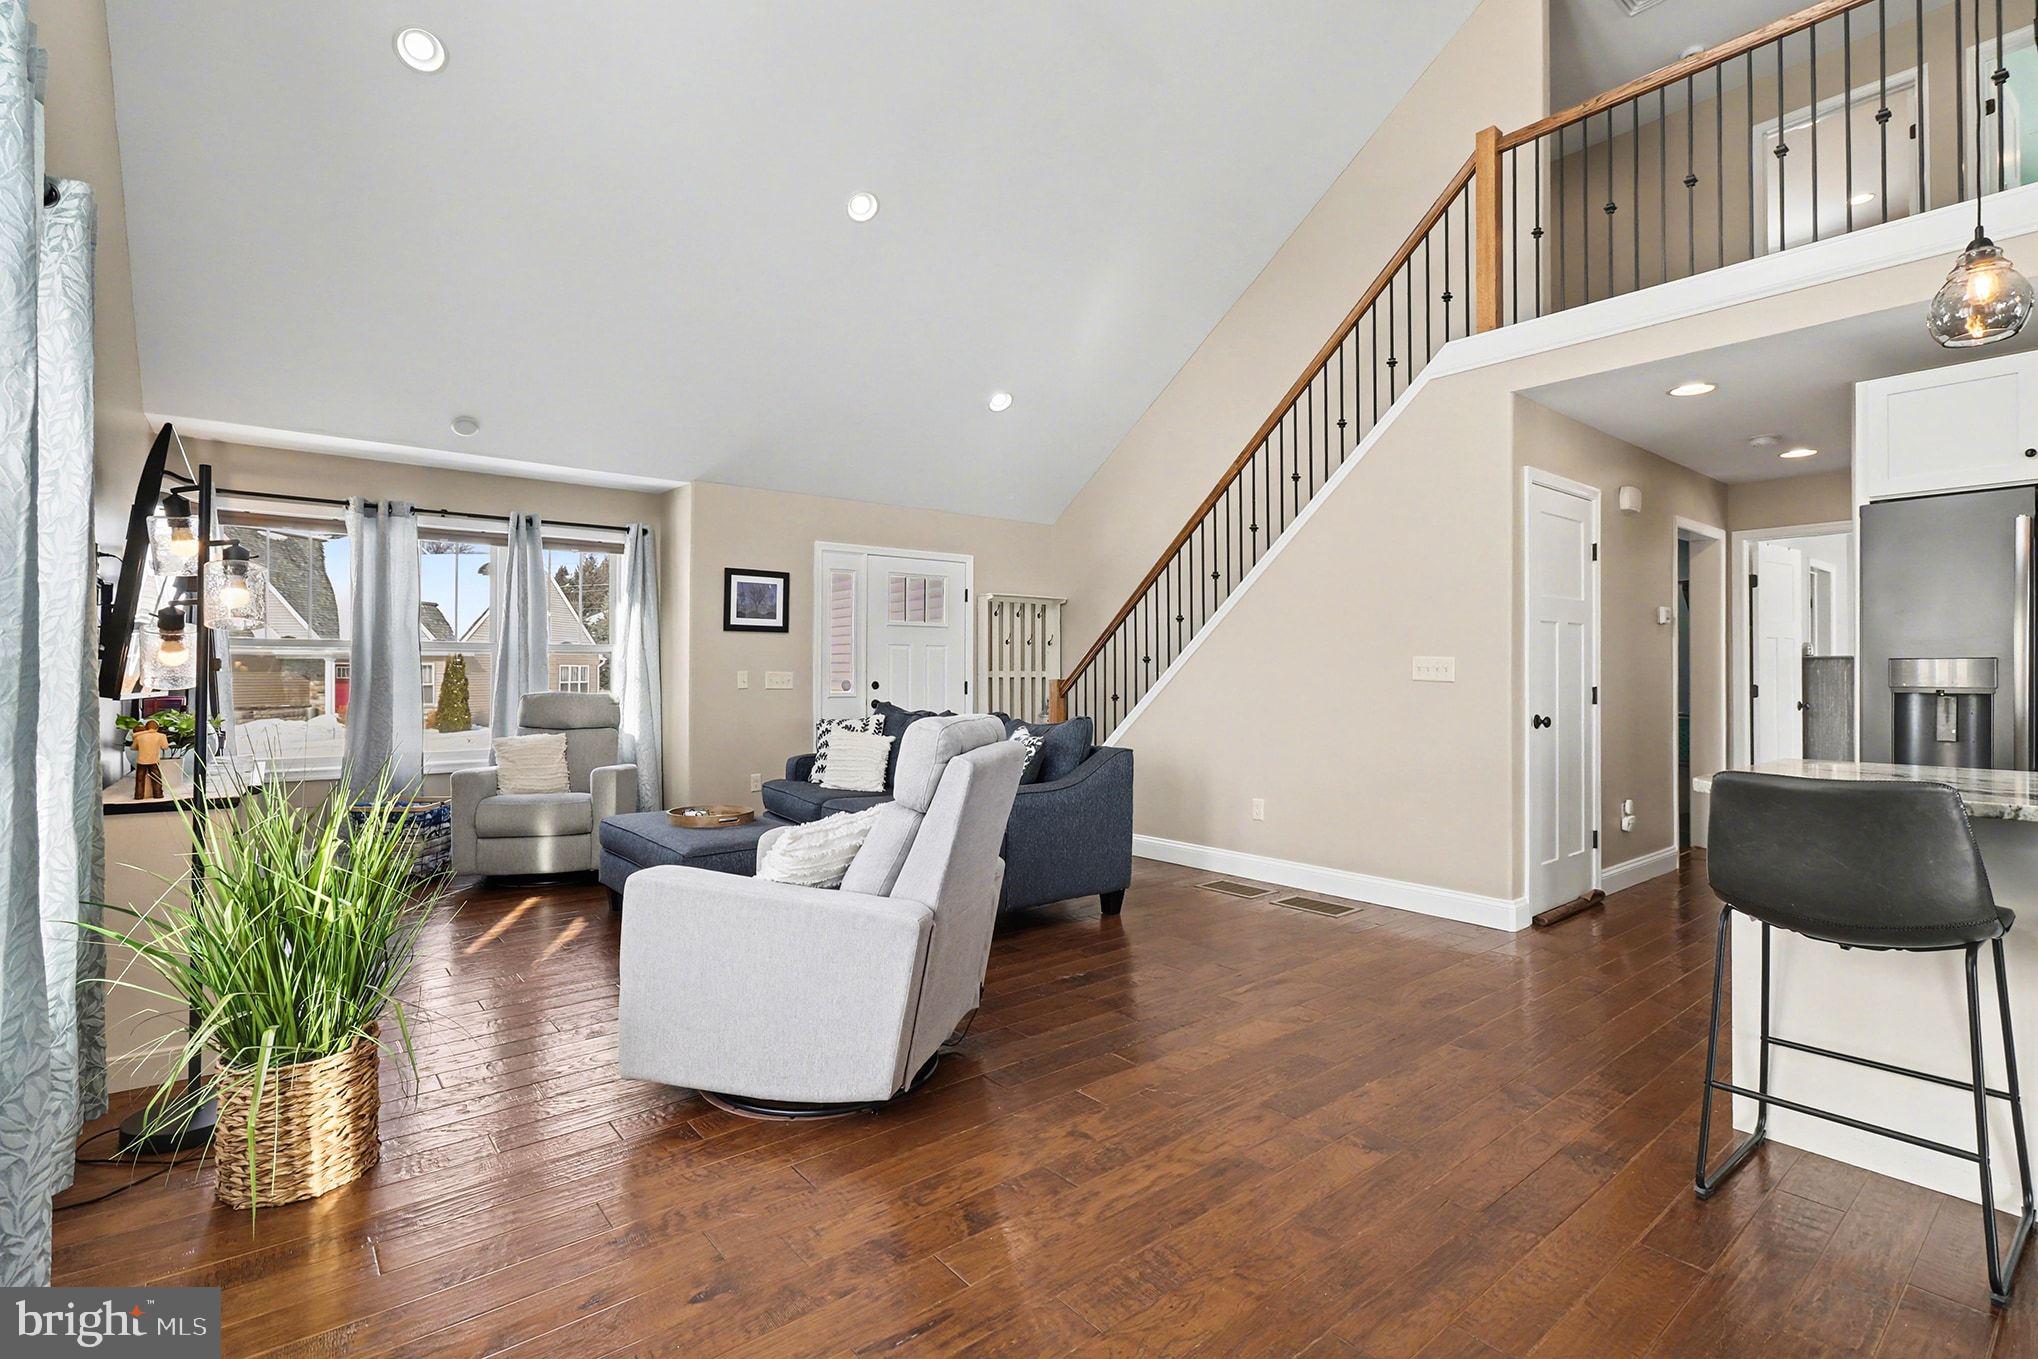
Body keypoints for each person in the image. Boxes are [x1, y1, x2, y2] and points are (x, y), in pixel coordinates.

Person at [131, 718, 169, 799]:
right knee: (156, 778)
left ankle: (139, 795)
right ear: (157, 728)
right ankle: (158, 794)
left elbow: (133, 747)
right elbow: (165, 747)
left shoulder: (139, 737)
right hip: (154, 760)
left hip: (141, 761)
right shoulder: (161, 736)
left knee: (140, 779)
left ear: (146, 727)